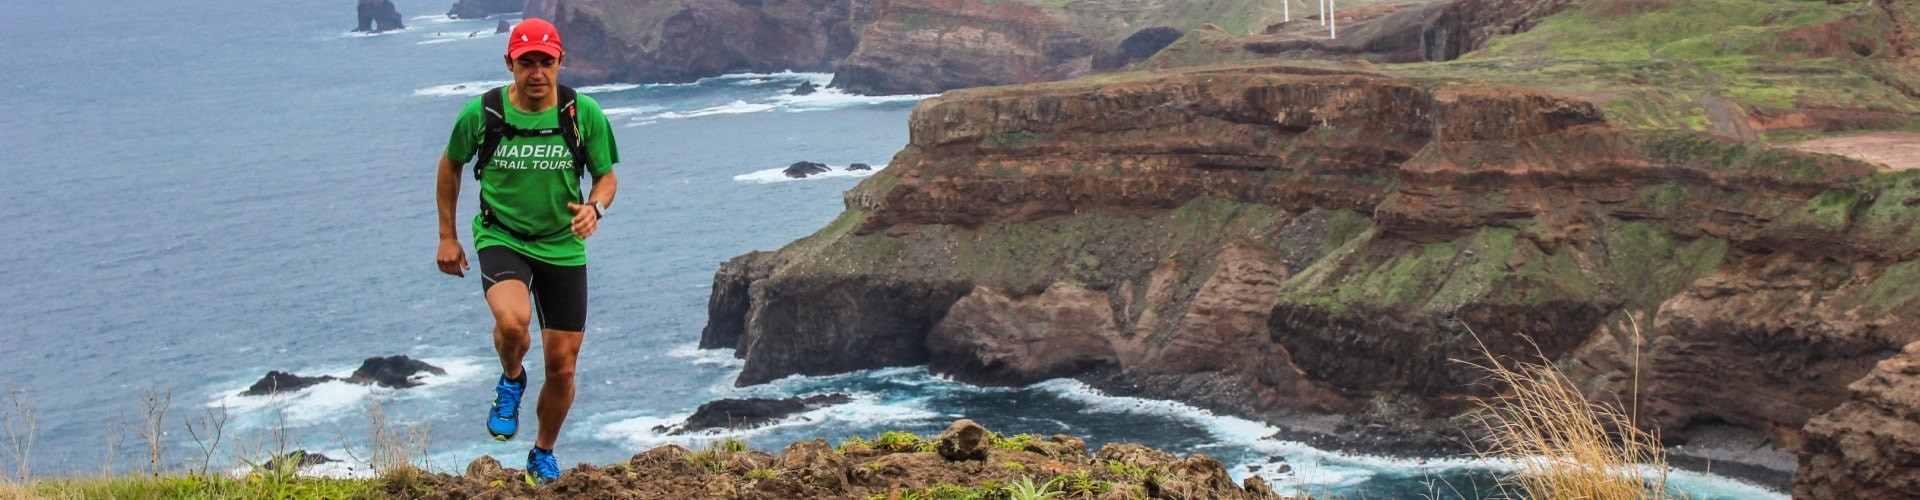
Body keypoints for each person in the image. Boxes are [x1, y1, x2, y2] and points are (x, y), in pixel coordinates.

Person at [433, 17, 619, 485]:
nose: (537, 73)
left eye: (546, 62)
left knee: (562, 367)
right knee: (513, 324)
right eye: (526, 63)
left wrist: (595, 208)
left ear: (560, 62)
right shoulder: (484, 113)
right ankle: (512, 377)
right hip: (503, 237)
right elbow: (451, 164)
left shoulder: (582, 112)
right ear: (509, 64)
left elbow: (607, 176)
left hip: (562, 245)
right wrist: (447, 235)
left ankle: (542, 452)